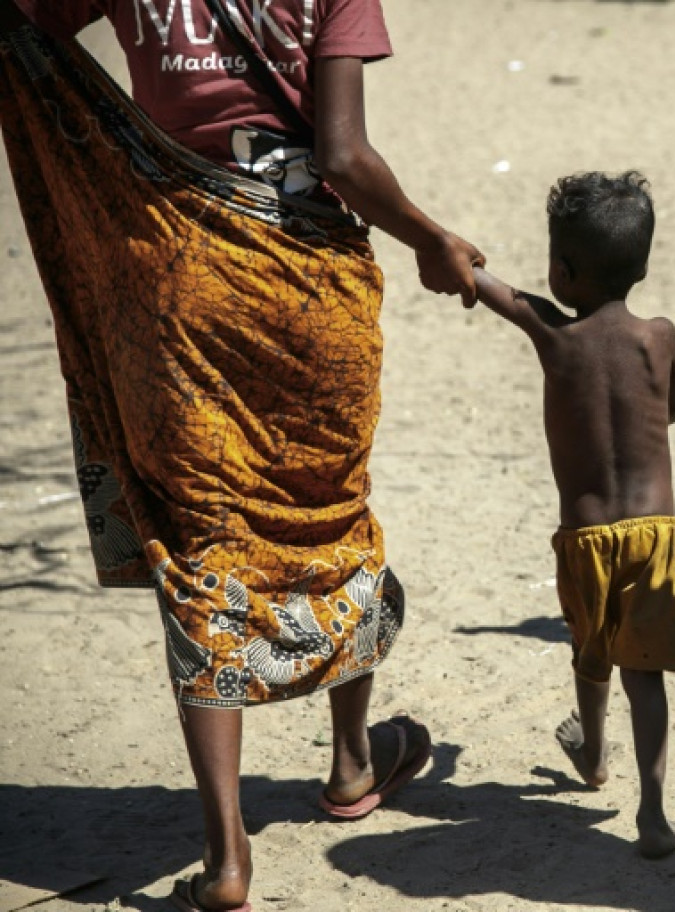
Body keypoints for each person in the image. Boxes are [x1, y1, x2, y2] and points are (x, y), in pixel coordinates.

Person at [0, 1, 484, 909]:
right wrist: (431, 240)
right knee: (329, 505)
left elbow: (29, 33)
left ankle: (227, 864)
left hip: (175, 281)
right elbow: (343, 158)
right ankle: (350, 764)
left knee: (205, 549)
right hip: (309, 285)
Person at [470, 171, 675, 860]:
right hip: (655, 535)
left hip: (583, 538)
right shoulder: (659, 337)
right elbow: (673, 409)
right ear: (640, 265)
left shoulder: (555, 335)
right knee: (647, 674)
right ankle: (655, 812)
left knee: (591, 651)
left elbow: (500, 294)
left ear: (563, 269)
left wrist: (448, 248)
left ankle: (594, 753)